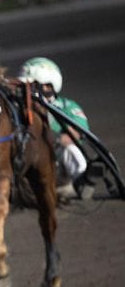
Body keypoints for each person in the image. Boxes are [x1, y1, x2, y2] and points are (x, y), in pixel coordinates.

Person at [18, 56, 98, 200]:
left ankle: (81, 183)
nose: (27, 90)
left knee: (72, 150)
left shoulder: (67, 107)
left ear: (49, 86)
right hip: (30, 166)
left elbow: (78, 132)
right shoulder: (19, 108)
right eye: (26, 86)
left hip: (57, 164)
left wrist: (53, 140)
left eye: (33, 85)